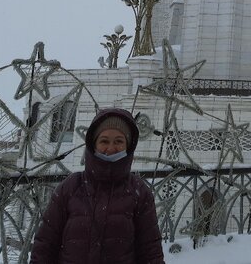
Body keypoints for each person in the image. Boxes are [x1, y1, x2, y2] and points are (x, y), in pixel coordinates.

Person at [31, 108, 165, 264]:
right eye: (104, 141)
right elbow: (45, 245)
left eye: (119, 141)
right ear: (93, 144)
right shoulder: (70, 187)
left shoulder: (139, 192)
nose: (110, 148)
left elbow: (150, 252)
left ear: (128, 145)